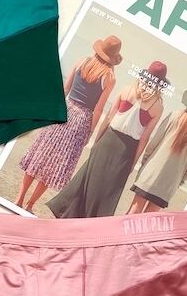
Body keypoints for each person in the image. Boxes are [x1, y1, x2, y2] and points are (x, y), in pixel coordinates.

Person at [47, 61, 168, 218]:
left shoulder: (127, 89)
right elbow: (144, 138)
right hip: (127, 151)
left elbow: (109, 118)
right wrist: (134, 162)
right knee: (108, 190)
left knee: (88, 177)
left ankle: (67, 213)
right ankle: (92, 220)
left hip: (108, 139)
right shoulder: (158, 106)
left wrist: (97, 140)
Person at [15, 36, 120, 211]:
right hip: (81, 120)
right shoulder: (109, 77)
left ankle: (19, 199)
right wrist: (90, 132)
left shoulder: (81, 62)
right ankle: (30, 205)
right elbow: (99, 109)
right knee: (56, 165)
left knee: (40, 154)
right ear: (113, 58)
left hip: (65, 109)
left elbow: (64, 89)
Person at [128, 87, 187, 213]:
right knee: (149, 219)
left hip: (151, 171)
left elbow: (154, 142)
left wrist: (144, 163)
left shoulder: (175, 115)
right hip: (170, 183)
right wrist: (179, 182)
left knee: (133, 211)